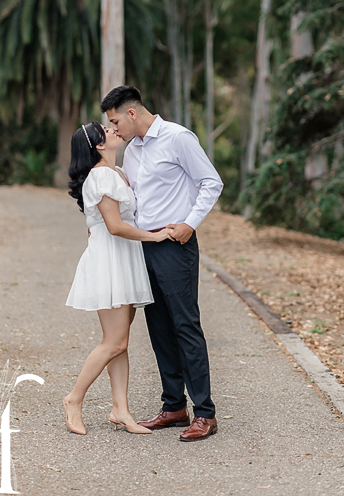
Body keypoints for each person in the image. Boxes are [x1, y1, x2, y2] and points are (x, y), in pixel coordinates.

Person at [101, 85, 223, 443]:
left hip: (174, 242)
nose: (114, 129)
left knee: (186, 325)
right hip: (144, 245)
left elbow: (211, 182)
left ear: (132, 114)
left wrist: (189, 224)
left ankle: (205, 413)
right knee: (158, 327)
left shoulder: (178, 138)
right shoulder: (133, 151)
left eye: (115, 121)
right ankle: (173, 406)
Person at [64, 121, 174, 435]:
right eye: (106, 131)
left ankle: (120, 410)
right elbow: (114, 226)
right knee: (114, 341)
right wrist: (156, 237)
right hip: (110, 260)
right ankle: (73, 399)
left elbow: (97, 224)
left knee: (120, 343)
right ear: (98, 145)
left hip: (123, 259)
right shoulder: (100, 176)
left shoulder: (119, 173)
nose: (113, 130)